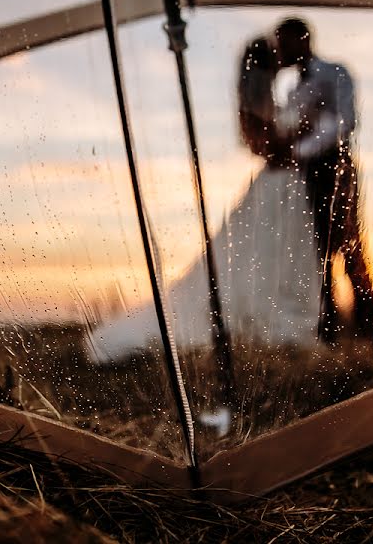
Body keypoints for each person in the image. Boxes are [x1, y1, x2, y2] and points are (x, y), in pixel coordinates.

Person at [85, 38, 321, 363]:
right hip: (279, 182)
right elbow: (262, 143)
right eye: (277, 55)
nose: (284, 58)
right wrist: (297, 134)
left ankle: (280, 323)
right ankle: (269, 324)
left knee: (278, 255)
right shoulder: (258, 103)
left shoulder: (274, 97)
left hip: (286, 184)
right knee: (264, 254)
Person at [274, 17, 373, 340]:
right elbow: (289, 129)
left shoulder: (336, 73)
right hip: (305, 174)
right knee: (314, 250)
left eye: (286, 42)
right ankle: (327, 328)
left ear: (303, 40)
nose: (281, 50)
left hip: (336, 167)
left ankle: (369, 324)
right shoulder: (291, 89)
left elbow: (345, 121)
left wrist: (302, 149)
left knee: (348, 243)